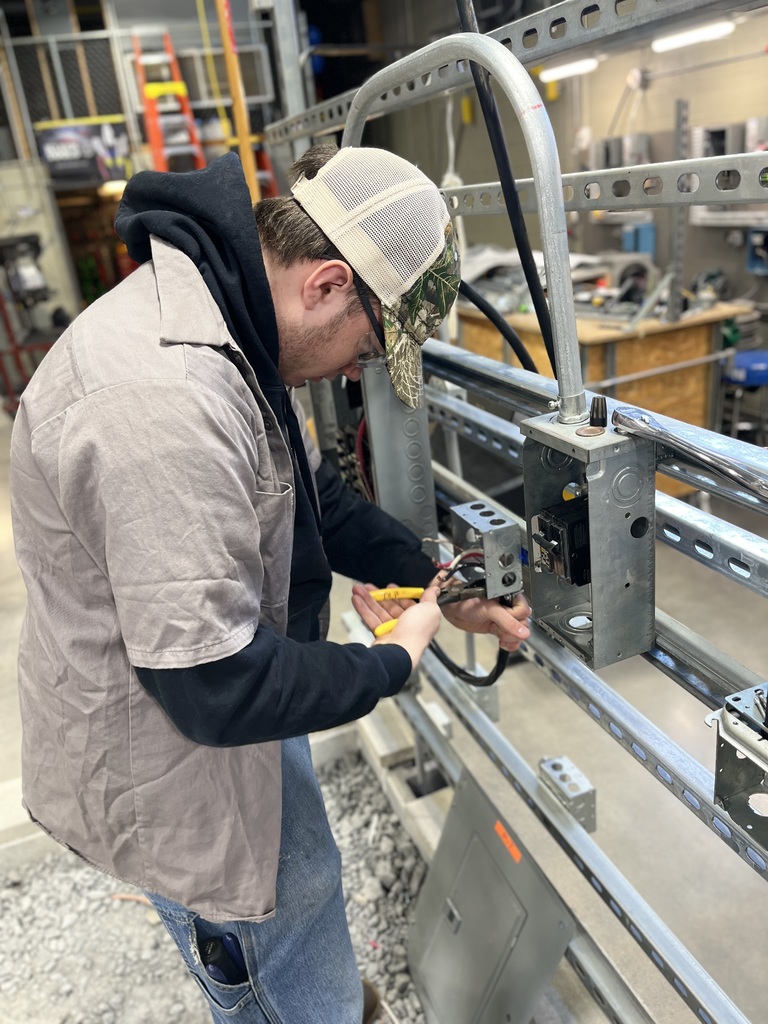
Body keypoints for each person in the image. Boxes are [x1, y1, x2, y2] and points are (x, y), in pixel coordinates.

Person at [10, 142, 531, 1024]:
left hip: (228, 688)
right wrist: (391, 663)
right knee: (273, 945)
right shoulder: (167, 397)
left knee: (302, 896)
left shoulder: (234, 317)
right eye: (367, 346)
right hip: (174, 746)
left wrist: (434, 581)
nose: (356, 370)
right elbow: (216, 688)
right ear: (325, 284)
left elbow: (311, 493)